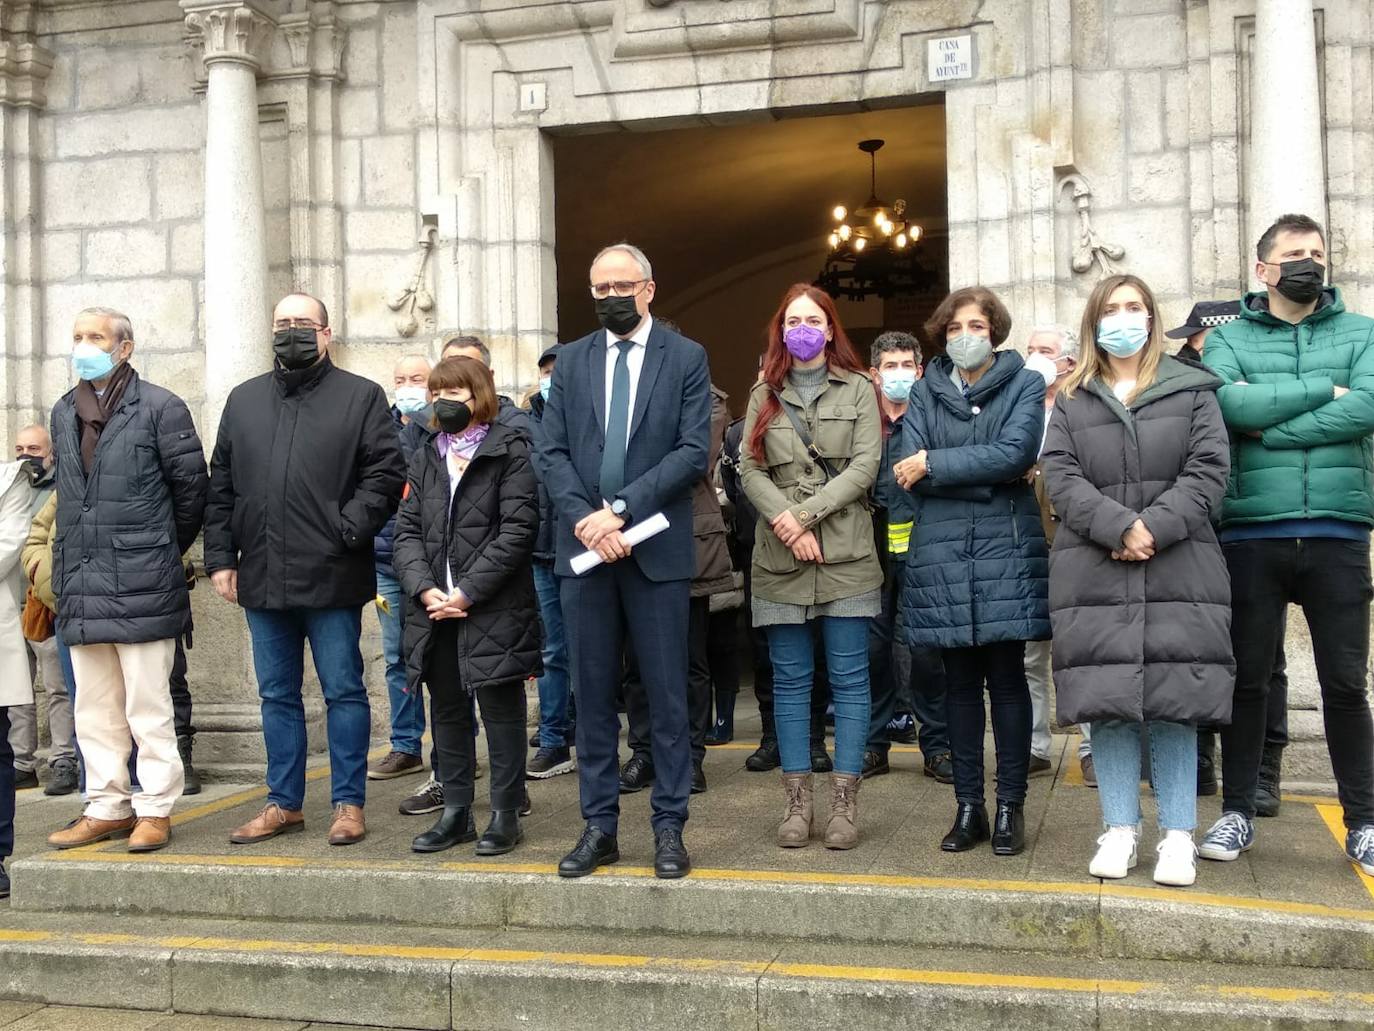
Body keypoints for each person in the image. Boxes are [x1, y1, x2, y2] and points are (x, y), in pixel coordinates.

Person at [1043, 274, 1233, 888]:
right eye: (1111, 309)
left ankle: (1178, 834)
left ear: (1152, 317)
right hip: (1096, 565)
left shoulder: (1192, 388)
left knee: (1176, 702)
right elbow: (1061, 476)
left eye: (1134, 308)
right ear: (1093, 322)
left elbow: (1209, 469)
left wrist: (1152, 527)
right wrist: (1119, 526)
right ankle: (1120, 827)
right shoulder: (1072, 397)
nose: (1123, 318)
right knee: (1112, 703)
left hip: (1180, 564)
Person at [1199, 213, 1374, 877]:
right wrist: (1317, 392)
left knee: (1345, 686)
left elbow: (1368, 405)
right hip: (1252, 530)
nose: (1310, 263)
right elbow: (1230, 408)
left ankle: (1363, 821)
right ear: (1263, 269)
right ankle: (1238, 808)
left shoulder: (1363, 333)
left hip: (1338, 529)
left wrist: (1275, 430)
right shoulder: (1230, 339)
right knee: (1247, 680)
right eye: (1295, 254)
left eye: (1317, 253)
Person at [535, 242, 710, 880]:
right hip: (584, 553)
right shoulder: (573, 361)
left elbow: (693, 451)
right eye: (600, 288)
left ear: (649, 288)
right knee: (592, 696)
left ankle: (668, 827)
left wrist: (622, 510)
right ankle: (599, 827)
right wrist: (588, 518)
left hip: (655, 550)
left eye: (622, 286)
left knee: (664, 698)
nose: (611, 296)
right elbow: (549, 451)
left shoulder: (685, 357)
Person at [205, 293, 403, 848]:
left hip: (333, 572)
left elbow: (385, 474)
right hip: (262, 572)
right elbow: (220, 484)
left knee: (343, 690)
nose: (291, 332)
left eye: (302, 324)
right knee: (277, 694)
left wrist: (346, 529)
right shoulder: (243, 400)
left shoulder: (361, 396)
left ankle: (348, 804)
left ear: (326, 333)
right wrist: (221, 558)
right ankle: (283, 803)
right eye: (282, 323)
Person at [45, 307, 208, 853]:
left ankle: (155, 806)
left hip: (142, 579)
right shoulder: (64, 411)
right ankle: (107, 804)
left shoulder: (160, 407)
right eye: (77, 336)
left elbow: (191, 495)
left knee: (147, 705)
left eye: (95, 336)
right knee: (93, 706)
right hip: (83, 583)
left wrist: (156, 549)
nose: (84, 345)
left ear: (125, 348)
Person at [895, 286, 1048, 857]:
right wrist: (985, 476)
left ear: (995, 330)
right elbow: (903, 472)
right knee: (956, 685)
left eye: (977, 325)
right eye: (956, 327)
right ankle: (968, 807)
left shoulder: (1026, 383)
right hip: (941, 551)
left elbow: (1017, 452)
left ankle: (1010, 805)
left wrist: (936, 461)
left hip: (1005, 551)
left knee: (1007, 681)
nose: (966, 336)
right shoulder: (922, 390)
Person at [739, 283, 881, 850]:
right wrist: (787, 526)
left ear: (829, 328)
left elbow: (867, 463)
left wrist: (806, 514)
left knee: (849, 680)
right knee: (791, 683)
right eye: (792, 319)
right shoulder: (762, 394)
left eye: (812, 319)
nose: (802, 328)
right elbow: (750, 471)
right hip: (780, 559)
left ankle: (844, 805)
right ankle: (798, 805)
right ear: (782, 330)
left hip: (846, 554)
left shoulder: (861, 390)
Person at [393, 357, 541, 854]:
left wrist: (468, 592)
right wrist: (424, 589)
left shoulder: (511, 450)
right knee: (449, 712)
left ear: (479, 395)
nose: (444, 401)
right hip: (434, 609)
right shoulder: (426, 456)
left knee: (501, 712)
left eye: (456, 392)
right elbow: (406, 532)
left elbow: (518, 530)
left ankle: (504, 811)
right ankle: (457, 811)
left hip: (492, 606)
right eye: (439, 393)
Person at [1166, 300, 1289, 807]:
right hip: (1197, 530)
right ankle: (1198, 758)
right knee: (1193, 646)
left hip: (1254, 525)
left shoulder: (1265, 373)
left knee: (1264, 659)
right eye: (1196, 340)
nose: (1199, 346)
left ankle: (1263, 768)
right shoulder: (1178, 382)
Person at [620, 378, 733, 796]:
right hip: (629, 540)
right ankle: (644, 752)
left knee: (689, 660)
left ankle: (690, 755)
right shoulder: (619, 396)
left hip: (685, 539)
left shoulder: (708, 400)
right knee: (635, 663)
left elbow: (694, 458)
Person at [862, 332, 952, 784]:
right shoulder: (863, 422)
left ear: (920, 371)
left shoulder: (933, 418)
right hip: (872, 556)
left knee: (926, 655)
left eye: (907, 365)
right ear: (874, 374)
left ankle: (936, 747)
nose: (899, 374)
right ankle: (874, 746)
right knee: (873, 653)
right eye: (889, 366)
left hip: (925, 550)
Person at [1022, 326, 1094, 786]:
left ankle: (1092, 746)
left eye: (1044, 351)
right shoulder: (1015, 407)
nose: (1034, 358)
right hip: (1025, 541)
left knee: (1082, 649)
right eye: (1029, 350)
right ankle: (1033, 746)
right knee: (1029, 654)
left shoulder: (1086, 405)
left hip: (1074, 540)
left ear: (1067, 361)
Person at [368, 354, 433, 783]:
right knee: (397, 657)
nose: (406, 385)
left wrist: (422, 425)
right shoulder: (379, 427)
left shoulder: (441, 428)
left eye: (416, 379)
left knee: (450, 659)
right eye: (399, 378)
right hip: (388, 562)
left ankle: (458, 745)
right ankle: (406, 744)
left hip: (436, 565)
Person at [6, 426, 77, 796]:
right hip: (10, 603)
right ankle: (22, 761)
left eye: (33, 448)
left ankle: (64, 759)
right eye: (18, 448)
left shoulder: (59, 488)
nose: (25, 454)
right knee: (16, 690)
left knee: (57, 687)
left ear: (50, 452)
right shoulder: (7, 486)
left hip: (44, 603)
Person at [526, 343, 577, 780]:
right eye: (545, 370)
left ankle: (588, 732)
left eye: (558, 371)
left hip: (583, 549)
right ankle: (553, 737)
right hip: (542, 551)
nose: (550, 378)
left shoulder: (589, 417)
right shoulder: (525, 425)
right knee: (552, 652)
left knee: (590, 649)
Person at [440, 334, 532, 440]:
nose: (458, 376)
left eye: (470, 369)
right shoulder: (424, 422)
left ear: (489, 376)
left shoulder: (513, 423)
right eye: (449, 367)